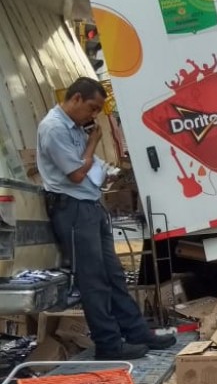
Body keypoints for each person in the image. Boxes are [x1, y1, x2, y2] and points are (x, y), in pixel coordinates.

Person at [36, 77, 176, 360]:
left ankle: (136, 332)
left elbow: (87, 170)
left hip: (89, 204)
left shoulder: (72, 126)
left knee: (114, 276)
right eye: (92, 107)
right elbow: (76, 173)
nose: (94, 115)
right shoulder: (53, 128)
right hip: (73, 208)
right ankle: (109, 343)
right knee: (94, 280)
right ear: (75, 99)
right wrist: (93, 142)